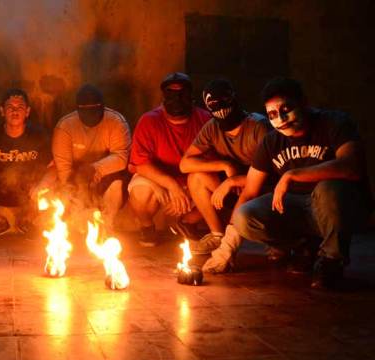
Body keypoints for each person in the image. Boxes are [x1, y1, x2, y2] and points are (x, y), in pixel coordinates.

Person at [231, 77, 372, 288]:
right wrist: (228, 244)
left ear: (304, 103)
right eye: (272, 114)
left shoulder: (334, 123)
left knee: (328, 188)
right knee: (244, 216)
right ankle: (303, 247)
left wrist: (292, 175)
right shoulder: (271, 141)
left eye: (287, 108)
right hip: (296, 207)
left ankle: (331, 262)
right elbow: (250, 192)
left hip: (338, 207)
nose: (281, 118)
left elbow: (352, 167)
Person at [179, 78, 271, 262]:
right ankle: (217, 236)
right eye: (214, 104)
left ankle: (267, 241)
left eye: (224, 101)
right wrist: (225, 166)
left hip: (262, 190)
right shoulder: (212, 127)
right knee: (196, 177)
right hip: (233, 189)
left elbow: (272, 176)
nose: (220, 108)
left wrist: (233, 180)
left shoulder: (258, 127)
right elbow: (185, 164)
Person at [128, 72, 210, 246]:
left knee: (217, 187)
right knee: (140, 191)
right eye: (171, 95)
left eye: (182, 94)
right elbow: (141, 165)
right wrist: (170, 185)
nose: (177, 101)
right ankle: (147, 227)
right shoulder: (149, 121)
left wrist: (189, 191)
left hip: (192, 180)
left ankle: (188, 223)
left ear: (190, 96)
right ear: (164, 97)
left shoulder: (205, 120)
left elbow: (211, 163)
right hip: (159, 180)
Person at [51, 84, 131, 230]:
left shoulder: (116, 122)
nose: (91, 115)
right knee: (64, 190)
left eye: (95, 110)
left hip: (107, 175)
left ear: (103, 107)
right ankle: (78, 227)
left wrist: (94, 169)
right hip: (75, 177)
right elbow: (63, 169)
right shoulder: (65, 127)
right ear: (78, 109)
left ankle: (106, 228)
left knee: (117, 184)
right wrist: (79, 183)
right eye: (86, 111)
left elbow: (121, 158)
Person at [0, 88, 55, 239]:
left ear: (27, 112)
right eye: (10, 108)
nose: (15, 112)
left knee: (56, 188)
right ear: (2, 111)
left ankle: (27, 221)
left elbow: (53, 168)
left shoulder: (39, 135)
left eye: (20, 107)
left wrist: (41, 186)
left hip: (28, 192)